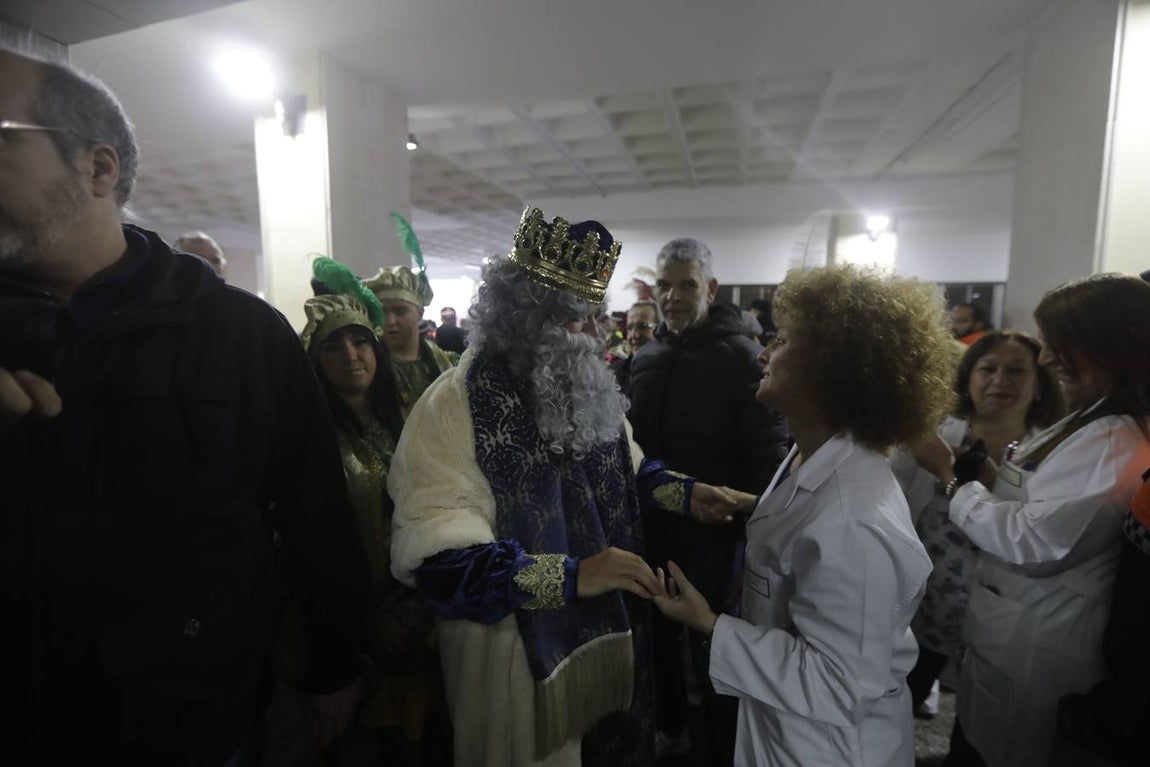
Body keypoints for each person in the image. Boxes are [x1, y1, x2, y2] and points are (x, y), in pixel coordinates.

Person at [0, 48, 367, 764]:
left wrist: (334, 663)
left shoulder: (239, 334)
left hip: (191, 721)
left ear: (97, 168)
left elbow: (316, 515)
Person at [388, 207, 746, 766]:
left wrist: (687, 493)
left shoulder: (587, 385)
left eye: (592, 317)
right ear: (521, 317)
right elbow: (441, 566)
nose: (589, 335)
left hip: (618, 641)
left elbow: (627, 472)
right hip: (519, 670)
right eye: (570, 319)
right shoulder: (454, 406)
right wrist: (572, 576)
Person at [651, 263, 955, 767]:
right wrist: (753, 506)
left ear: (832, 369)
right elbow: (806, 532)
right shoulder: (813, 456)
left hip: (829, 748)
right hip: (790, 727)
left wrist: (708, 624)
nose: (764, 352)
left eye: (783, 340)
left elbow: (838, 685)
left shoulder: (853, 522)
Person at [914, 273, 1150, 766]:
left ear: (1108, 344)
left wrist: (949, 479)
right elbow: (1040, 498)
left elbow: (1035, 543)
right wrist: (982, 471)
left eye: (1060, 346)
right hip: (1005, 633)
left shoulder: (1113, 438)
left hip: (1037, 645)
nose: (1046, 360)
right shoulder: (1090, 417)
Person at [627, 237, 789, 762]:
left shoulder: (743, 359)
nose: (672, 296)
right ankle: (670, 729)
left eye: (686, 285)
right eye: (664, 285)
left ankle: (720, 751)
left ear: (711, 288)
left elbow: (768, 460)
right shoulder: (645, 358)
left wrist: (751, 545)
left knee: (714, 653)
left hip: (715, 541)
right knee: (658, 643)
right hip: (652, 533)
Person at [889, 331, 1062, 719]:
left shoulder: (1050, 451)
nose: (1000, 380)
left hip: (999, 612)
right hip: (926, 604)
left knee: (981, 724)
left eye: (1016, 370)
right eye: (988, 368)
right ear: (968, 378)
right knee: (900, 705)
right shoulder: (937, 434)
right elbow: (893, 493)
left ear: (1039, 385)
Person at [364, 265, 454, 417]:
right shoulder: (368, 368)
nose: (390, 321)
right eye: (383, 312)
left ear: (420, 313)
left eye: (400, 311)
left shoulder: (445, 362)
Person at [609, 299, 657, 391]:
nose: (634, 335)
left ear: (660, 329)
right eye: (630, 328)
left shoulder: (674, 372)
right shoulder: (614, 374)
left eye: (643, 326)